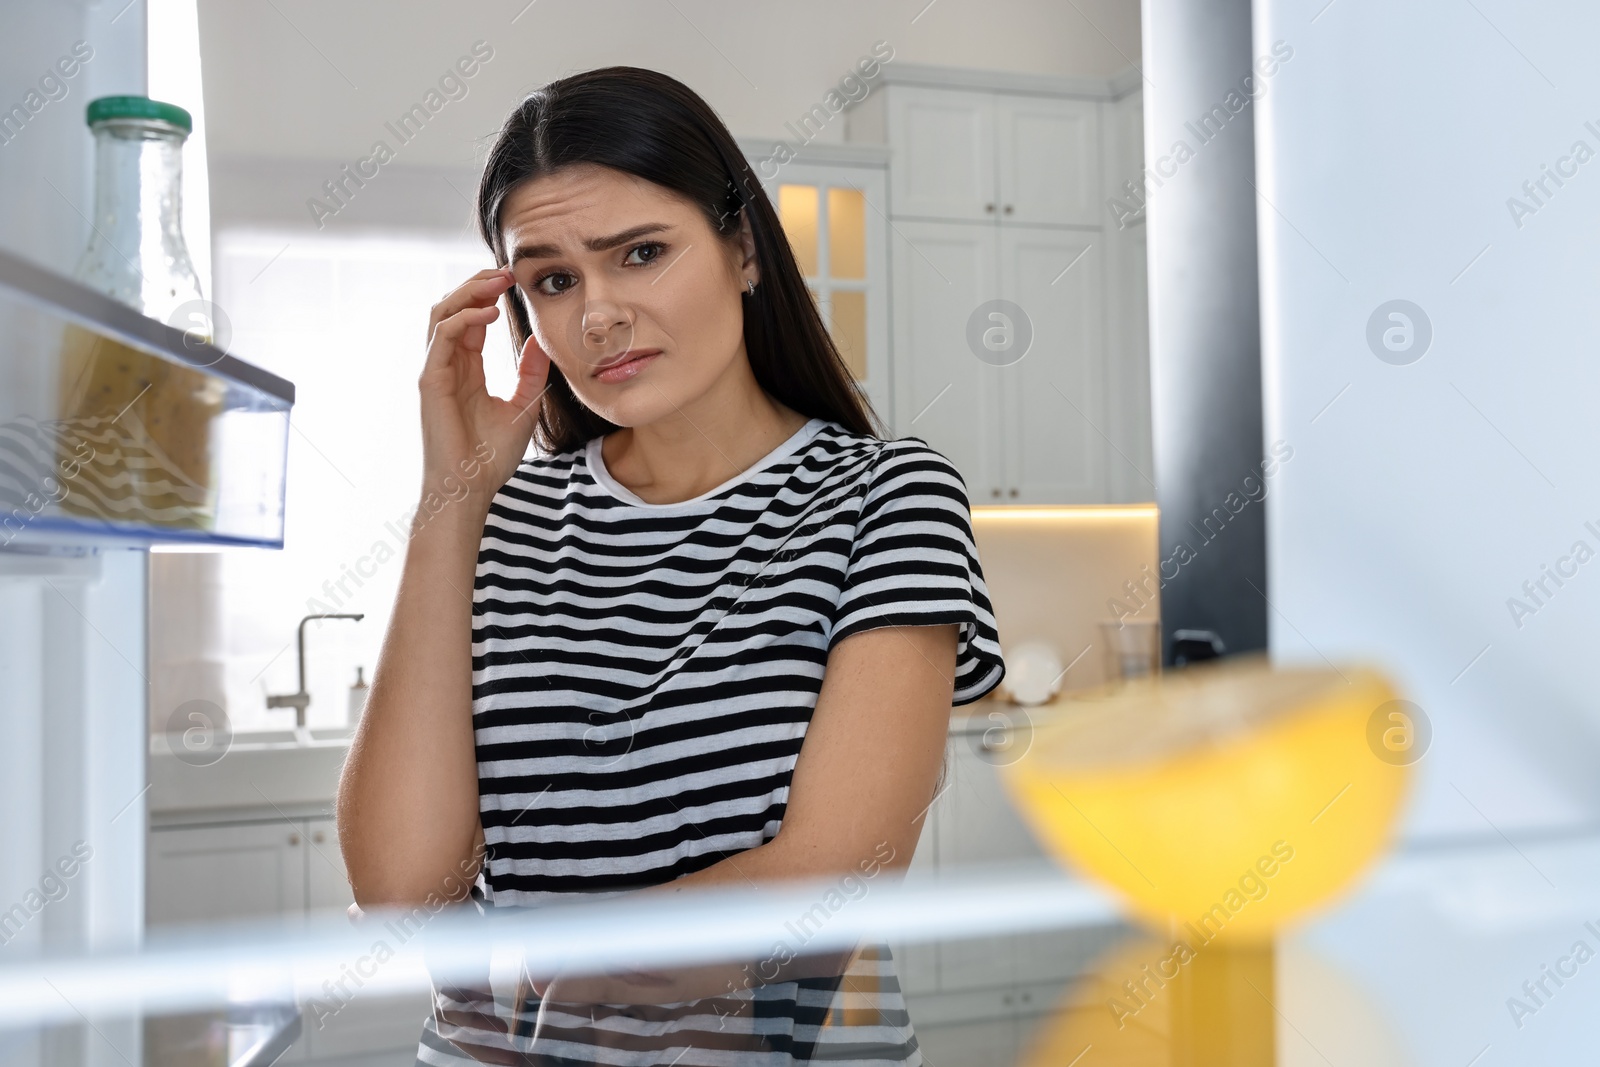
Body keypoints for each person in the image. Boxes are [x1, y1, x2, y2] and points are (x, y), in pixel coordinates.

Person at [336, 65, 1005, 1066]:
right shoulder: (495, 520)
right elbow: (400, 892)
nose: (596, 314)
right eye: (553, 279)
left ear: (741, 247)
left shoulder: (883, 496)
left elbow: (836, 869)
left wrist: (574, 966)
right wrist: (452, 500)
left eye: (640, 253)